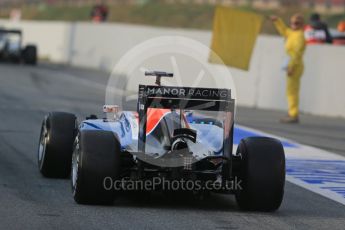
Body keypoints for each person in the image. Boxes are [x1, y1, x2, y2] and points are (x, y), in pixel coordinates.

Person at [270, 14, 306, 124]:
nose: (294, 25)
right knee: (290, 91)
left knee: (292, 92)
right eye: (292, 22)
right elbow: (284, 31)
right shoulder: (292, 33)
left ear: (301, 24)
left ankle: (293, 114)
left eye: (297, 23)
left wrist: (291, 67)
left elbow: (297, 54)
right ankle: (292, 112)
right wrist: (277, 21)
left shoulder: (299, 36)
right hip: (292, 64)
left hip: (295, 66)